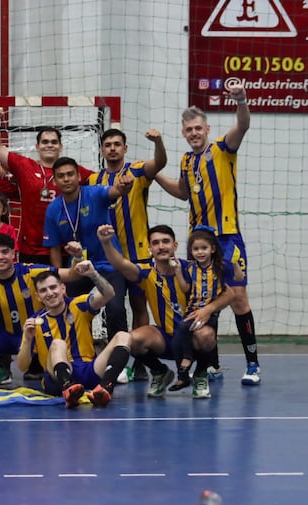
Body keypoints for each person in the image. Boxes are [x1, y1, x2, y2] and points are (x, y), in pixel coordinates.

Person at [154, 84, 260, 385]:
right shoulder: (187, 161)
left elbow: (243, 124)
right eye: (188, 130)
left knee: (238, 298)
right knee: (200, 297)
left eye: (198, 128)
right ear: (184, 133)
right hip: (197, 241)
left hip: (227, 238)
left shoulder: (223, 148)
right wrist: (155, 175)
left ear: (207, 128)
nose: (194, 133)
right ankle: (209, 364)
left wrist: (240, 100)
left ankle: (252, 364)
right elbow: (183, 192)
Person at [98, 224, 233, 398]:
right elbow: (121, 264)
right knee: (132, 339)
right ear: (150, 248)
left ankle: (200, 375)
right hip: (164, 338)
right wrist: (106, 242)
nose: (161, 246)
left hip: (192, 337)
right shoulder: (146, 273)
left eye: (165, 241)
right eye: (155, 243)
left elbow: (230, 294)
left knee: (207, 335)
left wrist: (209, 309)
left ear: (175, 246)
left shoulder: (192, 268)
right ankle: (160, 372)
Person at [89, 127, 168, 380]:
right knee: (114, 307)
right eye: (108, 144)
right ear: (102, 150)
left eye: (117, 144)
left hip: (139, 254)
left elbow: (160, 162)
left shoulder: (137, 171)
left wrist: (158, 142)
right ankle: (117, 360)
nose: (112, 148)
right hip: (109, 256)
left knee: (139, 306)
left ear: (125, 148)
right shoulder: (93, 180)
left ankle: (141, 363)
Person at [0, 233, 78, 388]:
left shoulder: (32, 272)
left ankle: (51, 368)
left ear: (13, 254)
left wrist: (78, 258)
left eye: (5, 252)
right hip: (6, 337)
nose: (0, 257)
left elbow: (71, 275)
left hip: (36, 338)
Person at [43, 156, 134, 344]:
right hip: (78, 269)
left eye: (70, 174)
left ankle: (119, 360)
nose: (66, 179)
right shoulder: (53, 209)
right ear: (56, 181)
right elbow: (54, 249)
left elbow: (116, 191)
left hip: (109, 264)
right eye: (61, 176)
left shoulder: (95, 193)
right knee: (64, 307)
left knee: (115, 309)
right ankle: (72, 353)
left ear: (78, 177)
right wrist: (58, 281)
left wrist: (124, 186)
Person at [0, 106, 93, 263]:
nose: (49, 145)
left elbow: (102, 180)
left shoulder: (72, 170)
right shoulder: (25, 166)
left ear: (60, 147)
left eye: (54, 142)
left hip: (66, 247)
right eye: (45, 142)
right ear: (37, 147)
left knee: (65, 287)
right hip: (31, 247)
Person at [17, 266, 132, 408]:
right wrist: (28, 339)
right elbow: (22, 367)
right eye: (43, 290)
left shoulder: (79, 305)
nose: (50, 293)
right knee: (58, 343)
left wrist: (93, 274)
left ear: (63, 289)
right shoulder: (34, 322)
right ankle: (67, 387)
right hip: (56, 380)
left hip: (88, 370)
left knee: (123, 336)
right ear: (37, 296)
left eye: (53, 287)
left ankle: (104, 388)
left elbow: (109, 294)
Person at [168, 226, 241, 390]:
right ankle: (183, 376)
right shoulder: (190, 268)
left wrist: (235, 263)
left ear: (213, 249)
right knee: (180, 334)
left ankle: (190, 362)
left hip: (211, 313)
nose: (200, 252)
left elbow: (239, 277)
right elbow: (186, 288)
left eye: (204, 248)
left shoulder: (220, 266)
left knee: (202, 335)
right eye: (195, 249)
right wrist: (178, 272)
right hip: (192, 310)